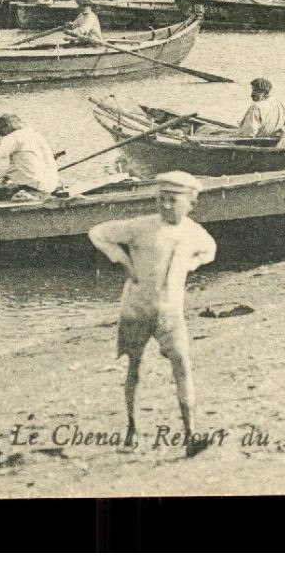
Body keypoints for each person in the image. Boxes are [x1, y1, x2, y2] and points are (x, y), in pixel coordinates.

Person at [87, 171, 218, 457]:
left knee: (182, 365)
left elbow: (210, 250)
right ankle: (131, 430)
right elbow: (98, 233)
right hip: (137, 309)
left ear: (190, 204)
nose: (166, 206)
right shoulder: (142, 227)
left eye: (173, 200)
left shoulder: (193, 232)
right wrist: (122, 261)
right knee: (135, 367)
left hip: (171, 312)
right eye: (161, 199)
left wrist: (191, 265)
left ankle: (191, 435)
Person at [0, 113, 60, 202]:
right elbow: (27, 164)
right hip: (49, 186)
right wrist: (10, 175)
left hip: (34, 189)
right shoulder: (36, 135)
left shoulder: (15, 136)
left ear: (5, 130)